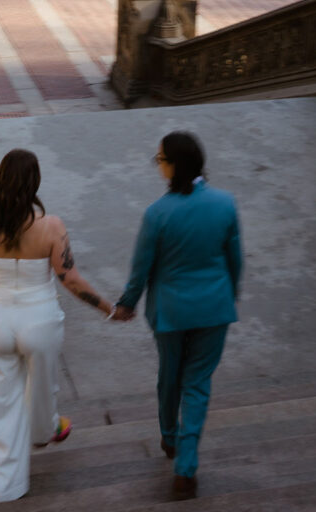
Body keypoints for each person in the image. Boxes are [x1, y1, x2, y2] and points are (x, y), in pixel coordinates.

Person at [0, 149, 117, 503]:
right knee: (43, 386)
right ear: (35, 184)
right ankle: (45, 430)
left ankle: (4, 487)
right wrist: (109, 309)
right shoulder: (51, 227)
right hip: (40, 320)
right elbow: (71, 280)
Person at [115, 131, 242, 502]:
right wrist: (225, 298)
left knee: (169, 376)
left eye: (160, 159)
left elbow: (141, 268)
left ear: (173, 166)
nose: (158, 165)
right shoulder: (225, 204)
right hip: (214, 310)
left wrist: (127, 303)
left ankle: (169, 437)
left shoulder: (157, 214)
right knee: (198, 385)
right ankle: (186, 467)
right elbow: (235, 261)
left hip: (170, 313)